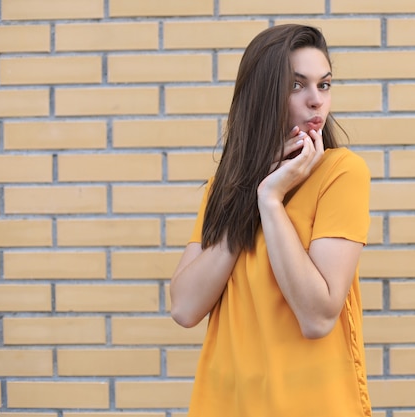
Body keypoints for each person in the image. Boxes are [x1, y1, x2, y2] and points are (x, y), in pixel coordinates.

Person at [170, 24, 372, 417]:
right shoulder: (224, 187)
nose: (317, 101)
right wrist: (252, 192)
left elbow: (317, 316)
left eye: (324, 85)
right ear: (264, 95)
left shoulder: (341, 173)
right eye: (298, 85)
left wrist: (272, 200)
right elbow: (185, 307)